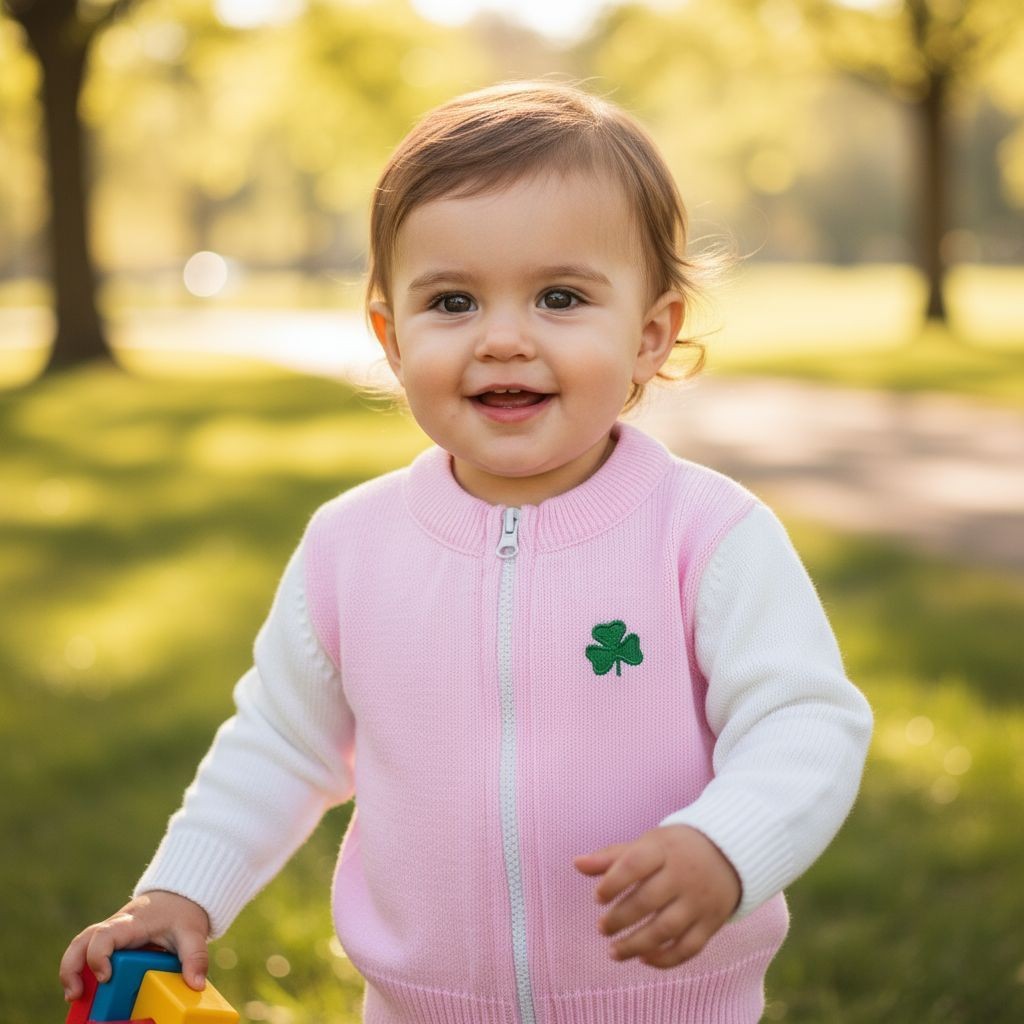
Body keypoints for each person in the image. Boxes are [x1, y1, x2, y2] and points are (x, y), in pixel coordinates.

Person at [60, 81, 873, 1023]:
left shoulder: (704, 535)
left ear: (651, 335)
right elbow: (278, 747)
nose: (502, 340)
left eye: (559, 297)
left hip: (664, 1006)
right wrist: (179, 892)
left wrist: (728, 845)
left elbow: (805, 724)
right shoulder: (351, 549)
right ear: (391, 337)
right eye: (452, 301)